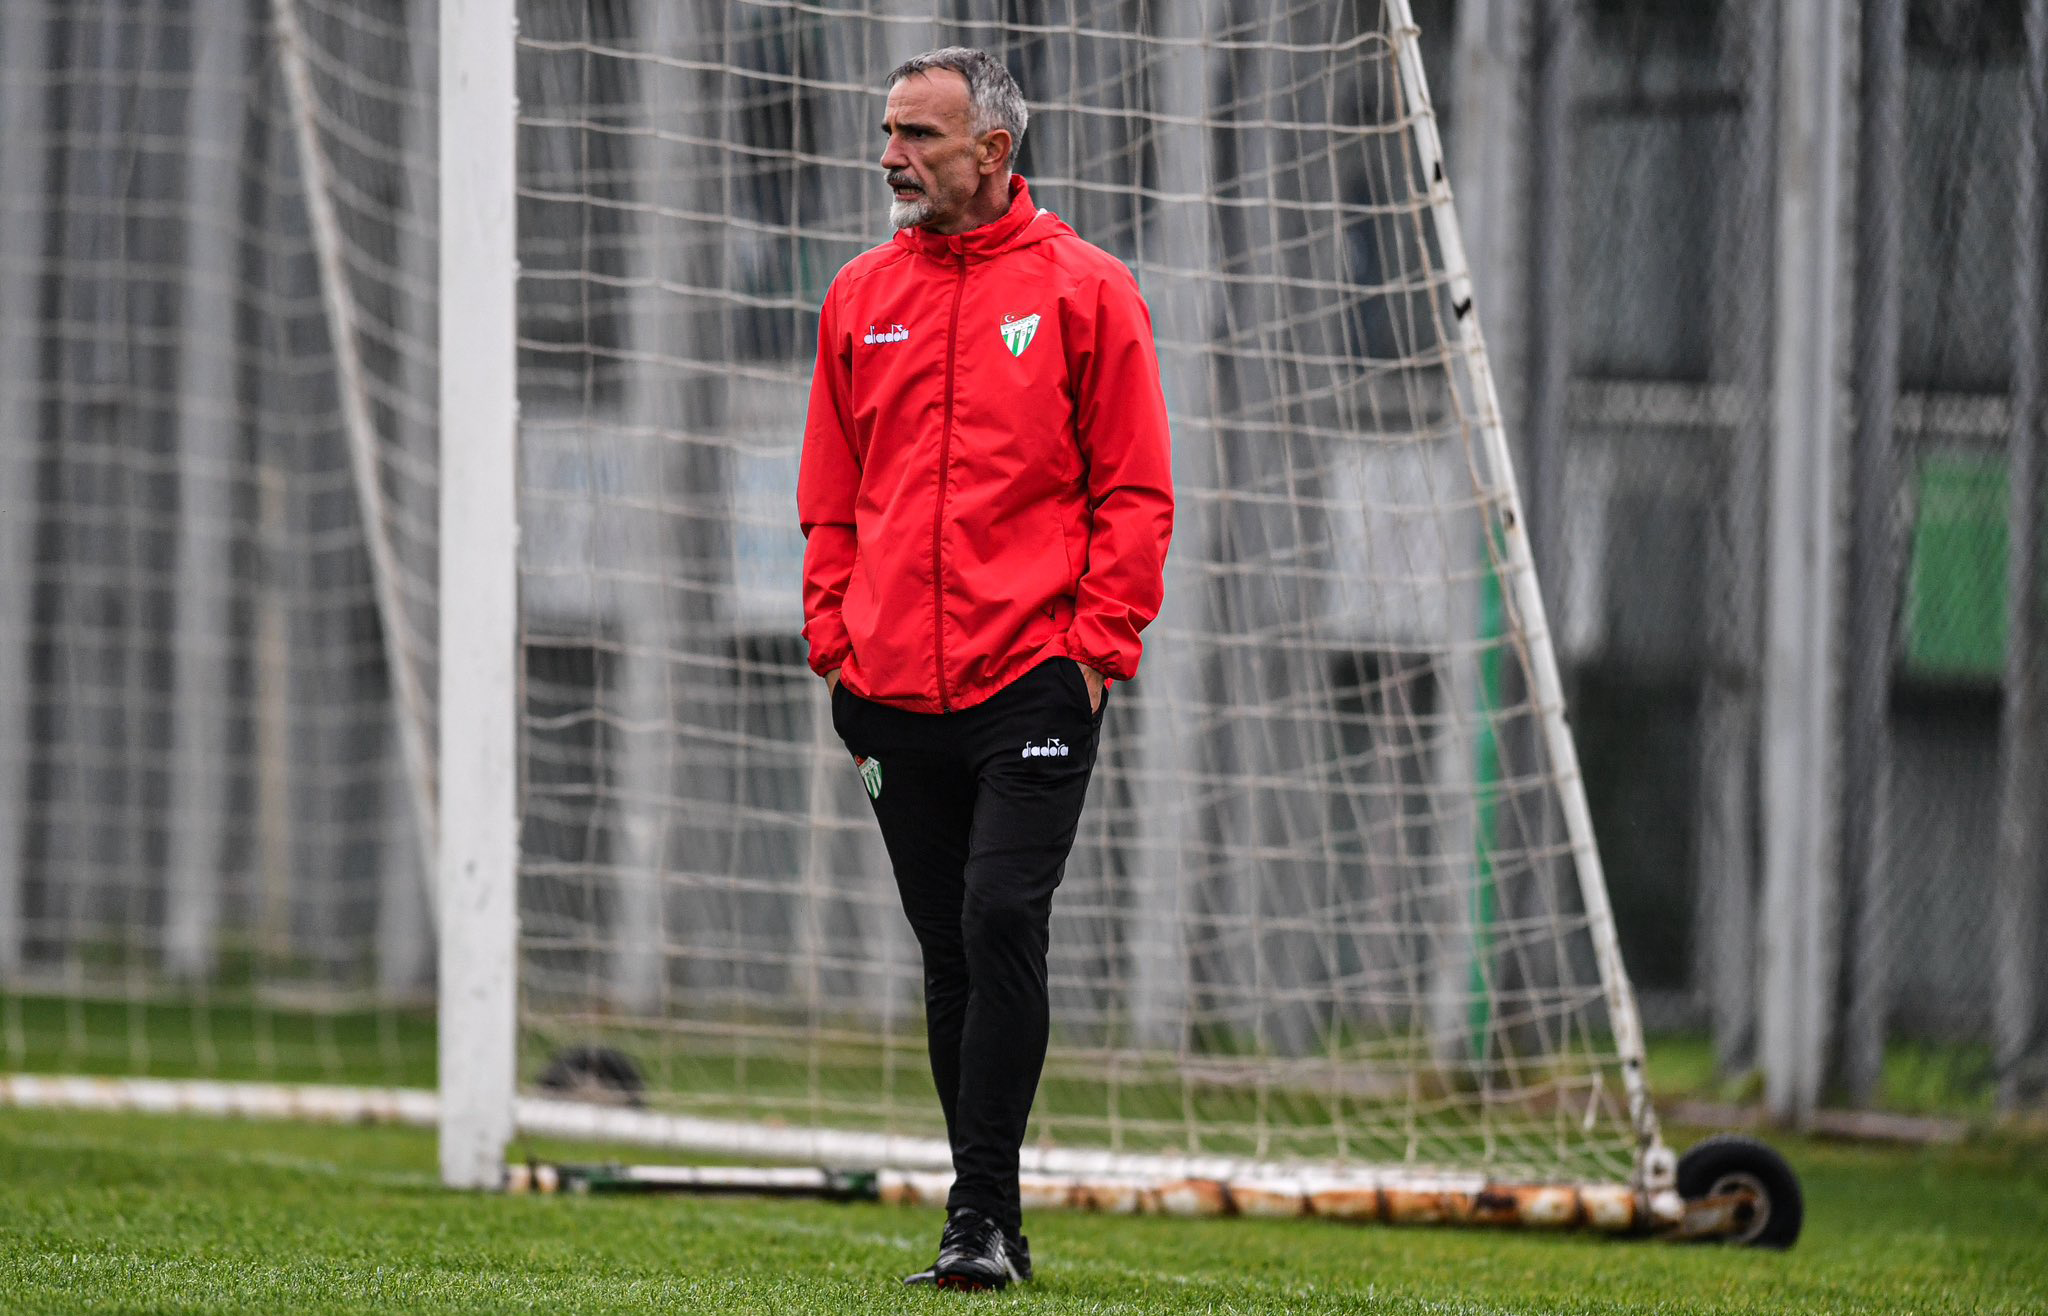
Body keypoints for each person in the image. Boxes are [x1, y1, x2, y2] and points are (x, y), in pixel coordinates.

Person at [797, 46, 1174, 1292]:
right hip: (888, 690)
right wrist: (834, 645)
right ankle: (990, 1221)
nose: (890, 156)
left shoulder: (1087, 289)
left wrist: (1093, 652)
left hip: (1032, 681)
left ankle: (973, 1213)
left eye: (916, 134)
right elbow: (830, 496)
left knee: (1001, 914)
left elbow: (1135, 491)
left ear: (992, 151)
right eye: (887, 131)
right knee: (949, 951)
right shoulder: (857, 295)